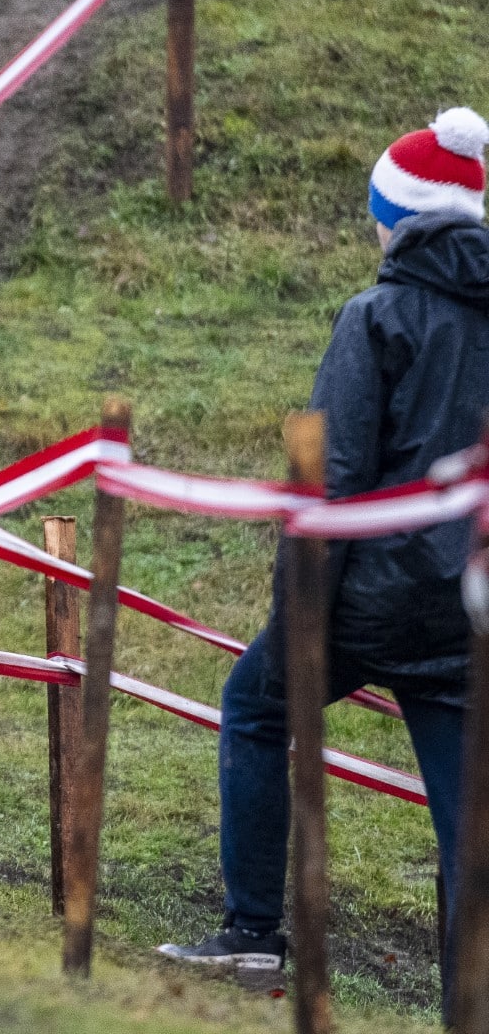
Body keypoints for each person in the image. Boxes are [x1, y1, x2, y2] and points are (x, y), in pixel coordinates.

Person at [159, 107, 489, 1018]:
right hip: (468, 610)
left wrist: (298, 615)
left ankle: (252, 932)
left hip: (367, 604)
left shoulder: (375, 316)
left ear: (400, 220)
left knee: (255, 705)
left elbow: (330, 482)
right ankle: (470, 1000)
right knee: (468, 822)